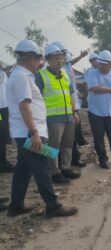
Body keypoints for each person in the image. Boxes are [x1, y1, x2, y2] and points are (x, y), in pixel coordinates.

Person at [6, 39, 77, 217]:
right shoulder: (22, 77)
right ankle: (53, 206)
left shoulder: (22, 75)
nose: (40, 61)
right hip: (29, 133)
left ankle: (16, 205)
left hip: (25, 133)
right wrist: (34, 133)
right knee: (42, 169)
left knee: (23, 169)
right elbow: (24, 106)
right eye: (38, 57)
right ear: (29, 57)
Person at [35, 44, 81, 184]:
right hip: (52, 117)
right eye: (56, 58)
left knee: (67, 144)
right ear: (48, 59)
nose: (60, 60)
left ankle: (66, 168)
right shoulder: (41, 75)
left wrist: (75, 111)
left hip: (68, 116)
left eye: (61, 57)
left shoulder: (65, 74)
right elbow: (36, 98)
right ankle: (54, 173)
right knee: (52, 146)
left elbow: (71, 94)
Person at [0, 69, 14, 173]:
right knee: (1, 134)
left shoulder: (2, 73)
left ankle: (3, 162)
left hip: (4, 108)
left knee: (3, 136)